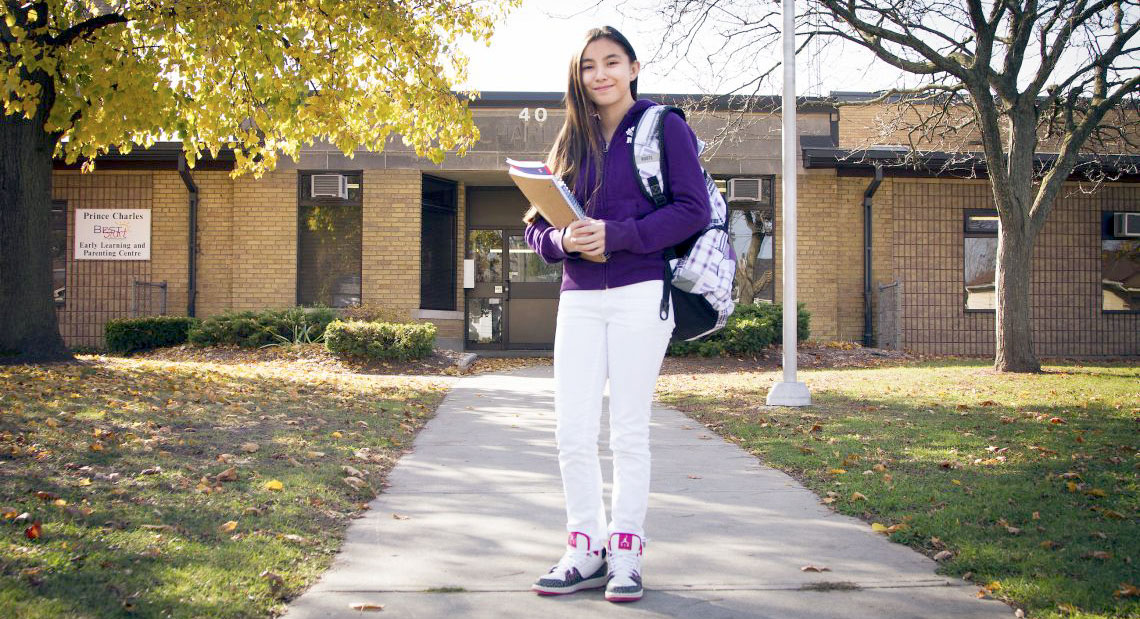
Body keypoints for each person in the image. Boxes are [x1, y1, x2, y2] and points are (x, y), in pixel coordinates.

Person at [523, 26, 709, 603]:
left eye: (610, 62)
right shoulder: (570, 140)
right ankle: (585, 548)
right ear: (577, 77)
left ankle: (626, 554)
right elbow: (535, 225)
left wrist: (620, 235)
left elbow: (692, 209)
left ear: (632, 67)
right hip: (577, 297)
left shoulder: (664, 127)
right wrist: (562, 243)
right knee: (571, 431)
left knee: (628, 431)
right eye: (588, 66)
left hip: (639, 292)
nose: (599, 74)